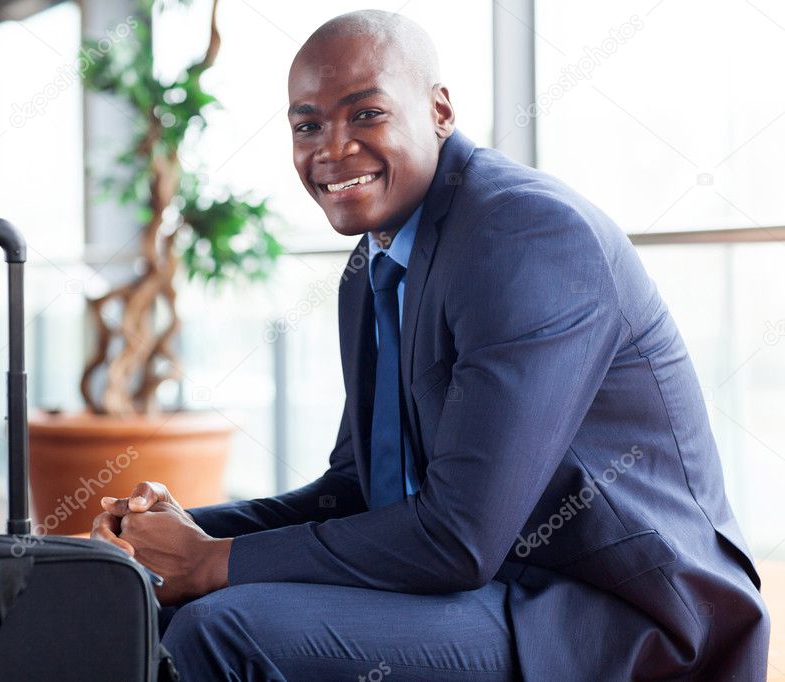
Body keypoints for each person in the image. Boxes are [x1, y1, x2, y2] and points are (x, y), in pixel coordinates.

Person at [91, 10, 770, 681]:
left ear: (439, 110)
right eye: (307, 124)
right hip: (493, 583)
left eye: (365, 114)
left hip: (610, 613)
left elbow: (458, 539)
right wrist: (172, 539)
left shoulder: (526, 235)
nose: (331, 148)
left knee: (223, 626)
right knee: (147, 604)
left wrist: (215, 562)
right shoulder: (373, 265)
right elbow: (356, 491)